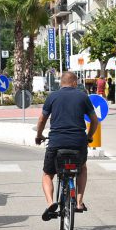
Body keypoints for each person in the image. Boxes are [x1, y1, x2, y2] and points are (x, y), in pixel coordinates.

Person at [35, 71, 99, 221]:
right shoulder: (83, 96)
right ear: (75, 83)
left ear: (60, 82)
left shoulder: (52, 97)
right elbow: (94, 121)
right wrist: (88, 137)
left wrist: (39, 135)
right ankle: (79, 202)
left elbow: (42, 120)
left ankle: (51, 203)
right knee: (82, 168)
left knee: (47, 174)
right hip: (78, 142)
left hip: (56, 143)